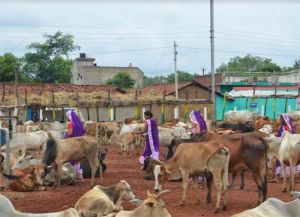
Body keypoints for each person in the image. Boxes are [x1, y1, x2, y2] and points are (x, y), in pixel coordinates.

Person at [65, 110, 86, 180]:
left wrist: (65, 136)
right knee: (78, 159)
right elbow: (83, 132)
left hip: (72, 143)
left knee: (71, 158)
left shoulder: (71, 124)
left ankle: (72, 175)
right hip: (79, 143)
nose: (67, 118)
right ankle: (80, 175)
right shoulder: (79, 123)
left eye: (67, 116)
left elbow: (70, 133)